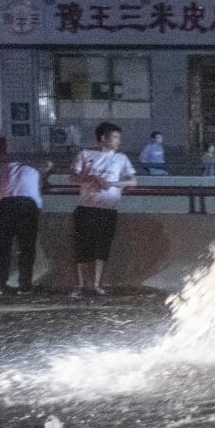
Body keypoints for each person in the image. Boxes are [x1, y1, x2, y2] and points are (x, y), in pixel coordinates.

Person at [71, 121, 137, 297]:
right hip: (86, 207)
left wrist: (112, 183)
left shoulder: (121, 158)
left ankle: (97, 284)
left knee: (103, 247)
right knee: (82, 247)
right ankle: (81, 285)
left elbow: (132, 181)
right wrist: (92, 177)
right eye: (115, 137)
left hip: (108, 209)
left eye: (118, 138)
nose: (118, 141)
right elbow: (73, 177)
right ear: (103, 138)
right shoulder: (85, 154)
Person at [0, 153, 43, 295]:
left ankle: (1, 284)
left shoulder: (5, 166)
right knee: (27, 248)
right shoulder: (37, 167)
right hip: (27, 205)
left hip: (6, 203)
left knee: (3, 248)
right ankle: (25, 285)